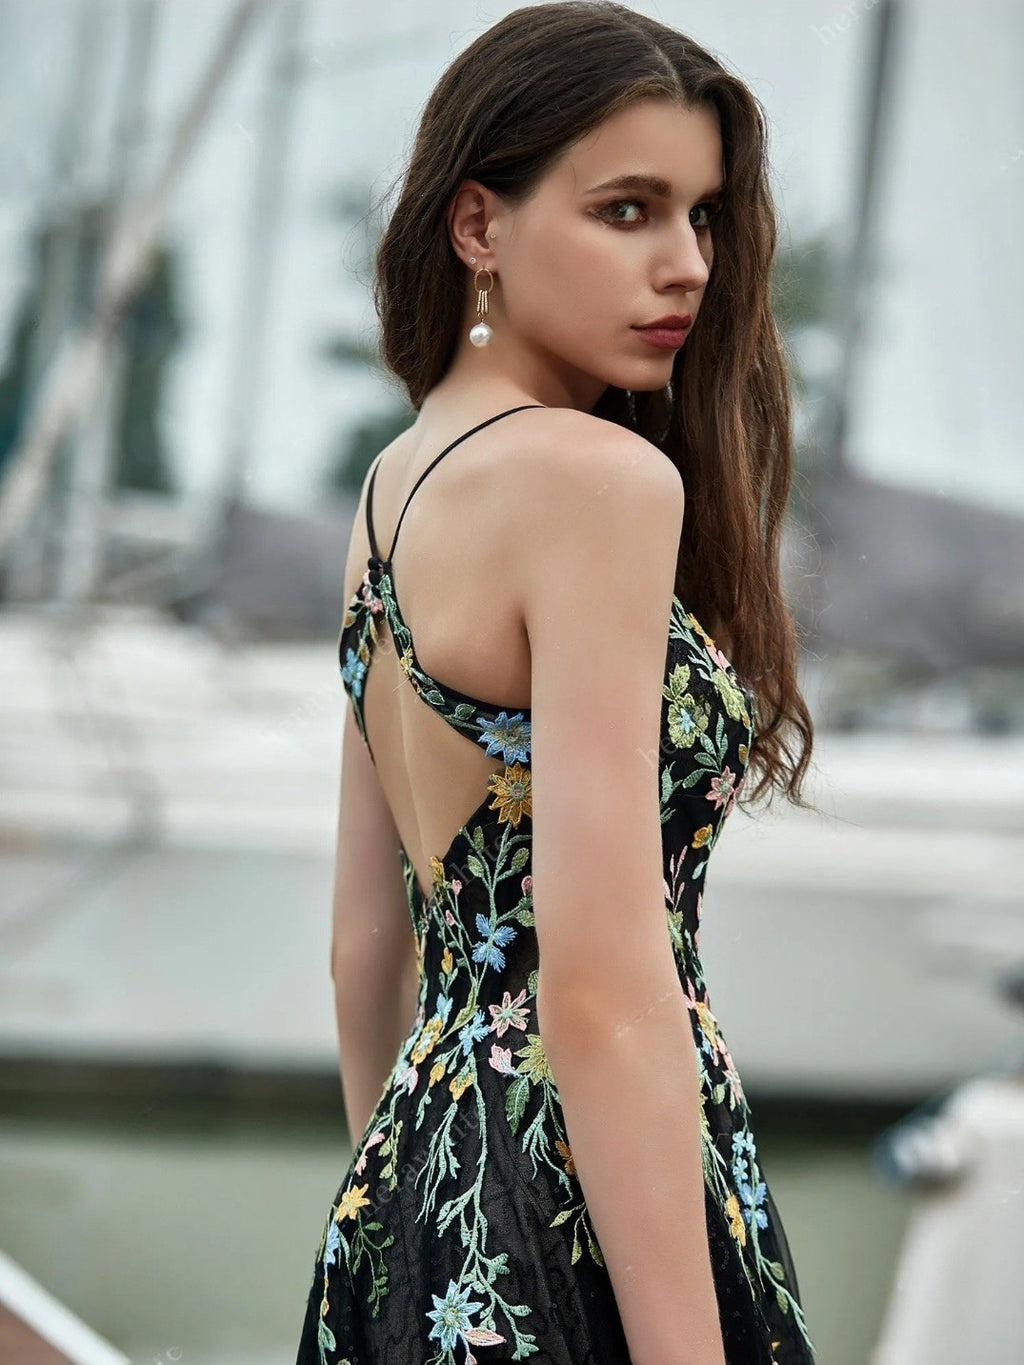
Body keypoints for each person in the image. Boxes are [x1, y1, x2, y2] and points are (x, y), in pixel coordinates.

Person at [294, 3, 817, 1362]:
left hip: (417, 1188)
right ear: (480, 226)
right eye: (629, 210)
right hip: (582, 1202)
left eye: (701, 216)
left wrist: (404, 1209)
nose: (688, 264)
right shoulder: (599, 483)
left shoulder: (398, 479)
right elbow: (599, 982)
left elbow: (366, 936)